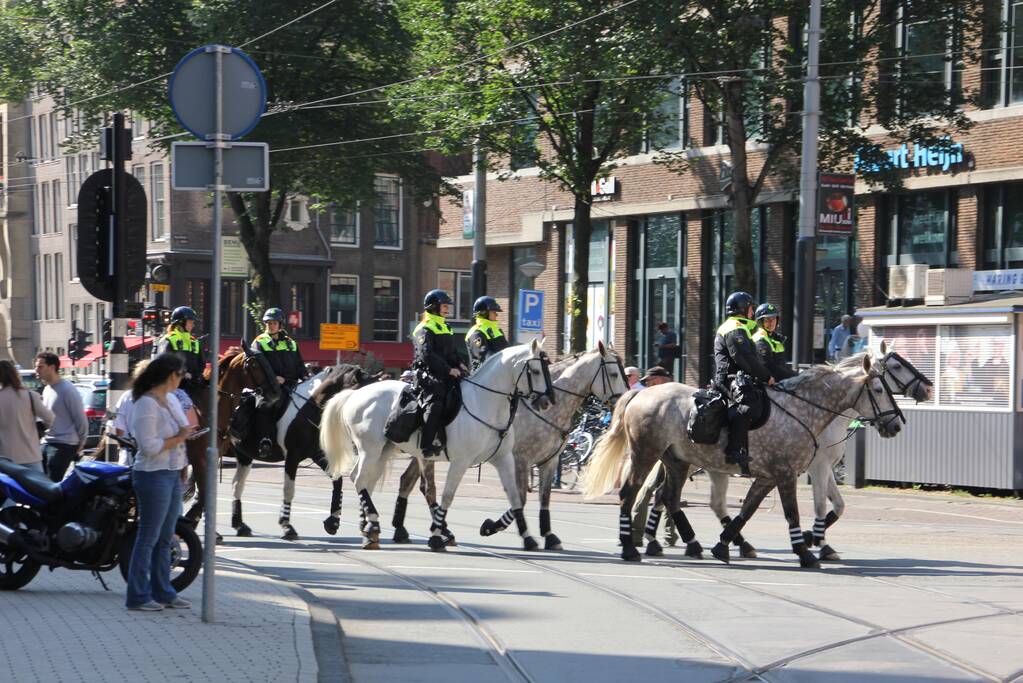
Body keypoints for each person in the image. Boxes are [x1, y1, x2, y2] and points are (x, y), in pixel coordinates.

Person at [125, 353, 194, 612]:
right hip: (152, 474)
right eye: (179, 374)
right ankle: (138, 596)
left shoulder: (172, 400)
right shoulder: (146, 404)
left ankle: (164, 591)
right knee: (148, 537)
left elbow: (183, 430)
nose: (182, 378)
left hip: (172, 472)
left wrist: (182, 462)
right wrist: (179, 438)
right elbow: (149, 446)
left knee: (166, 537)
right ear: (169, 376)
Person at [714, 292, 774, 475]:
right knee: (749, 405)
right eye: (750, 307)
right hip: (728, 377)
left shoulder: (742, 327)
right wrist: (766, 377)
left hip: (737, 376)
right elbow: (744, 358)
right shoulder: (734, 327)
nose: (752, 311)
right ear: (743, 308)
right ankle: (733, 450)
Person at [412, 289, 466, 458]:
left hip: (448, 373)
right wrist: (449, 369)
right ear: (433, 307)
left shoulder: (445, 326)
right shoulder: (424, 328)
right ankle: (426, 445)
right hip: (428, 373)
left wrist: (460, 364)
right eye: (444, 306)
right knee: (436, 402)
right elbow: (427, 355)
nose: (447, 309)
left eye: (447, 306)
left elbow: (451, 352)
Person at [251, 308, 307, 458]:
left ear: (280, 324)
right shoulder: (259, 342)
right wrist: (274, 378)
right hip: (269, 387)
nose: (271, 326)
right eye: (268, 323)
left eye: (274, 323)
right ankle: (265, 440)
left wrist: (306, 379)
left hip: (291, 385)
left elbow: (300, 365)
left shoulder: (291, 343)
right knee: (265, 406)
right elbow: (256, 367)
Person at [110, 360, 188, 466]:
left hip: (130, 458)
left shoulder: (126, 397)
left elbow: (119, 430)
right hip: (164, 462)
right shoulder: (168, 398)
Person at [34, 351, 88, 482]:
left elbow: (80, 418)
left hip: (64, 444)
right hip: (47, 442)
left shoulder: (68, 390)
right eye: (36, 367)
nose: (36, 370)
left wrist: (81, 442)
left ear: (52, 367)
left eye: (40, 367)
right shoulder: (47, 389)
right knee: (38, 482)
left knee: (51, 483)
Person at [0, 360, 54, 484]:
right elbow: (49, 418)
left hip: (5, 458)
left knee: (9, 495)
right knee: (38, 494)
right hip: (31, 455)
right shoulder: (30, 395)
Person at [156, 306, 206, 426]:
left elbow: (201, 364)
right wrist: (183, 374)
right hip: (173, 387)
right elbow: (163, 364)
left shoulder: (195, 342)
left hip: (193, 386)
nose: (193, 325)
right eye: (190, 322)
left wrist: (196, 376)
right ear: (180, 323)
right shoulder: (168, 340)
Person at [752, 303, 797, 382]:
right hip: (767, 384)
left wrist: (796, 375)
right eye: (767, 319)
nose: (771, 322)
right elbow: (769, 366)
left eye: (773, 319)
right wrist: (794, 377)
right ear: (760, 322)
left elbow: (782, 365)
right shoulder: (760, 339)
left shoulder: (775, 338)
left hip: (779, 382)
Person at [465, 296, 509, 373]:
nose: (496, 315)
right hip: (481, 379)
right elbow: (485, 357)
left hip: (500, 373)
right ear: (484, 313)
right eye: (494, 312)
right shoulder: (476, 332)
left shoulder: (498, 330)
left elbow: (508, 350)